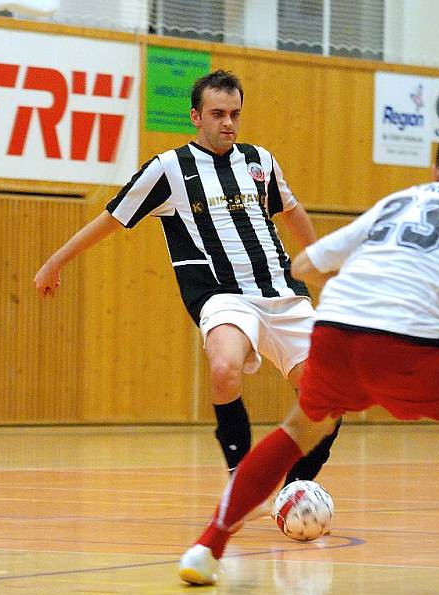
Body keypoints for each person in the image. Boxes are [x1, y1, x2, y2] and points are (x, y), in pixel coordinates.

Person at [178, 126, 439, 592]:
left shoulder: (398, 202)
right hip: (409, 348)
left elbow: (307, 264)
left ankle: (207, 547)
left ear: (435, 169)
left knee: (300, 429)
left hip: (333, 333)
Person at [34, 70, 341, 502]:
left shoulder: (260, 161)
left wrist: (323, 262)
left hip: (282, 294)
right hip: (223, 297)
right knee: (223, 368)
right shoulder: (168, 169)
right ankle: (243, 479)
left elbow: (291, 212)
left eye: (235, 114)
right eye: (218, 114)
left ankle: (297, 487)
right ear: (196, 116)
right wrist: (53, 262)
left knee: (329, 395)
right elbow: (109, 221)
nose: (228, 123)